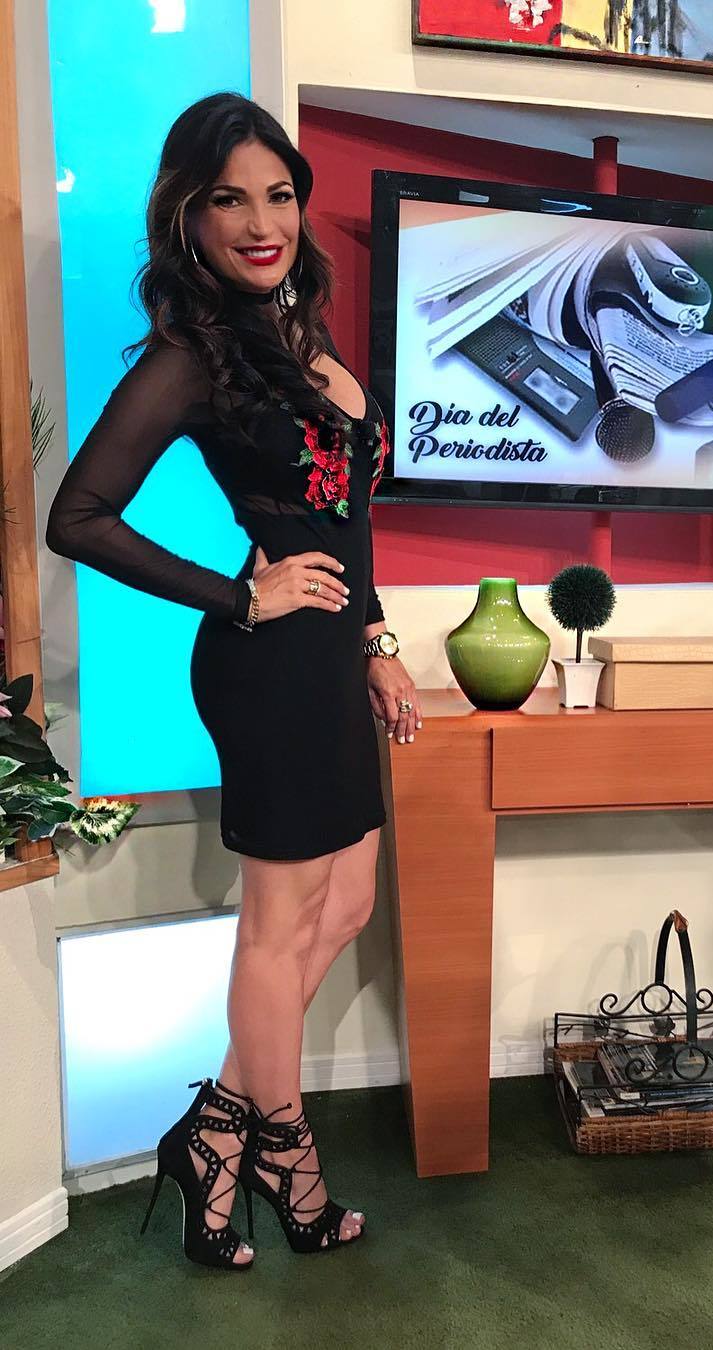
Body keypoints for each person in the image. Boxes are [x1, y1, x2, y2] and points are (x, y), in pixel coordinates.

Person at [45, 92, 420, 1269]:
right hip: (266, 668)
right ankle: (287, 1165)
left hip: (333, 659)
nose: (262, 223)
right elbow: (78, 516)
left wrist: (376, 639)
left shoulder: (303, 331)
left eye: (280, 195)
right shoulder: (192, 357)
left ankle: (213, 1129)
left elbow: (347, 522)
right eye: (229, 200)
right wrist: (237, 594)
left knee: (346, 906)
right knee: (277, 926)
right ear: (189, 219)